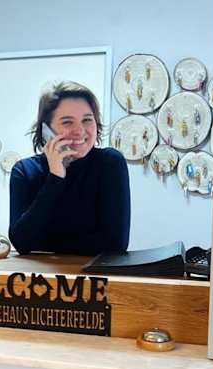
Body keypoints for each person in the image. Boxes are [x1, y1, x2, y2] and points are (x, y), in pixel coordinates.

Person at [9, 81, 131, 256]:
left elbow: (115, 244)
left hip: (95, 273)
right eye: (67, 122)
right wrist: (56, 177)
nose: (80, 130)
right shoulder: (24, 171)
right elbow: (22, 242)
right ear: (46, 129)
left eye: (87, 120)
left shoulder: (110, 163)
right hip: (41, 273)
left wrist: (47, 244)